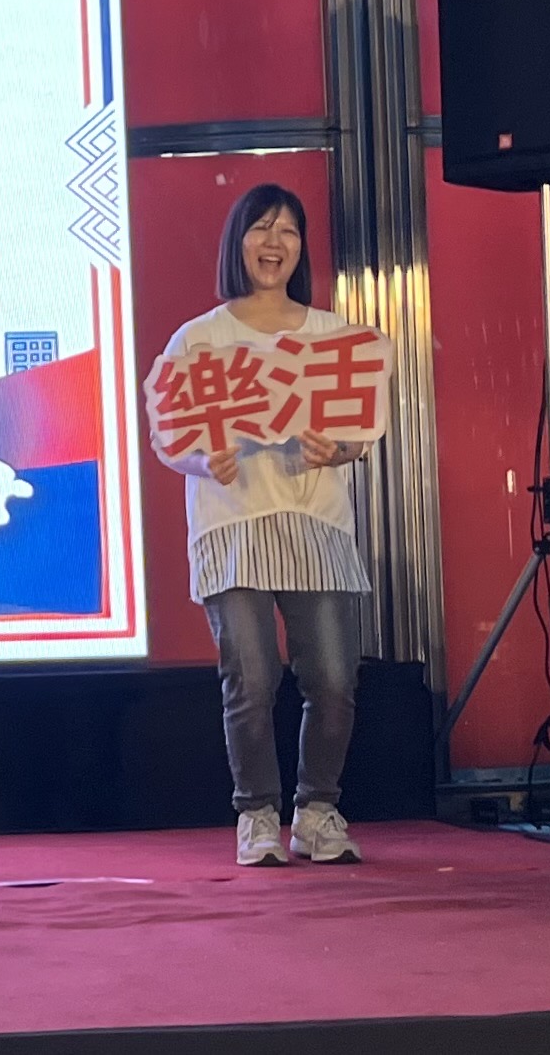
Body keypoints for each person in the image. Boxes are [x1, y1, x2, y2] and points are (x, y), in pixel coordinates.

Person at [153, 184, 369, 867]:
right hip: (234, 525)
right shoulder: (200, 338)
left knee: (332, 679)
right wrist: (200, 458)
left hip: (315, 523)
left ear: (301, 248)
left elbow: (360, 432)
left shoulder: (332, 335)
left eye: (288, 231)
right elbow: (168, 434)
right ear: (237, 242)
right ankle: (256, 815)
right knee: (250, 680)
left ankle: (317, 810)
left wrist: (339, 450)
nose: (274, 243)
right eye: (260, 228)